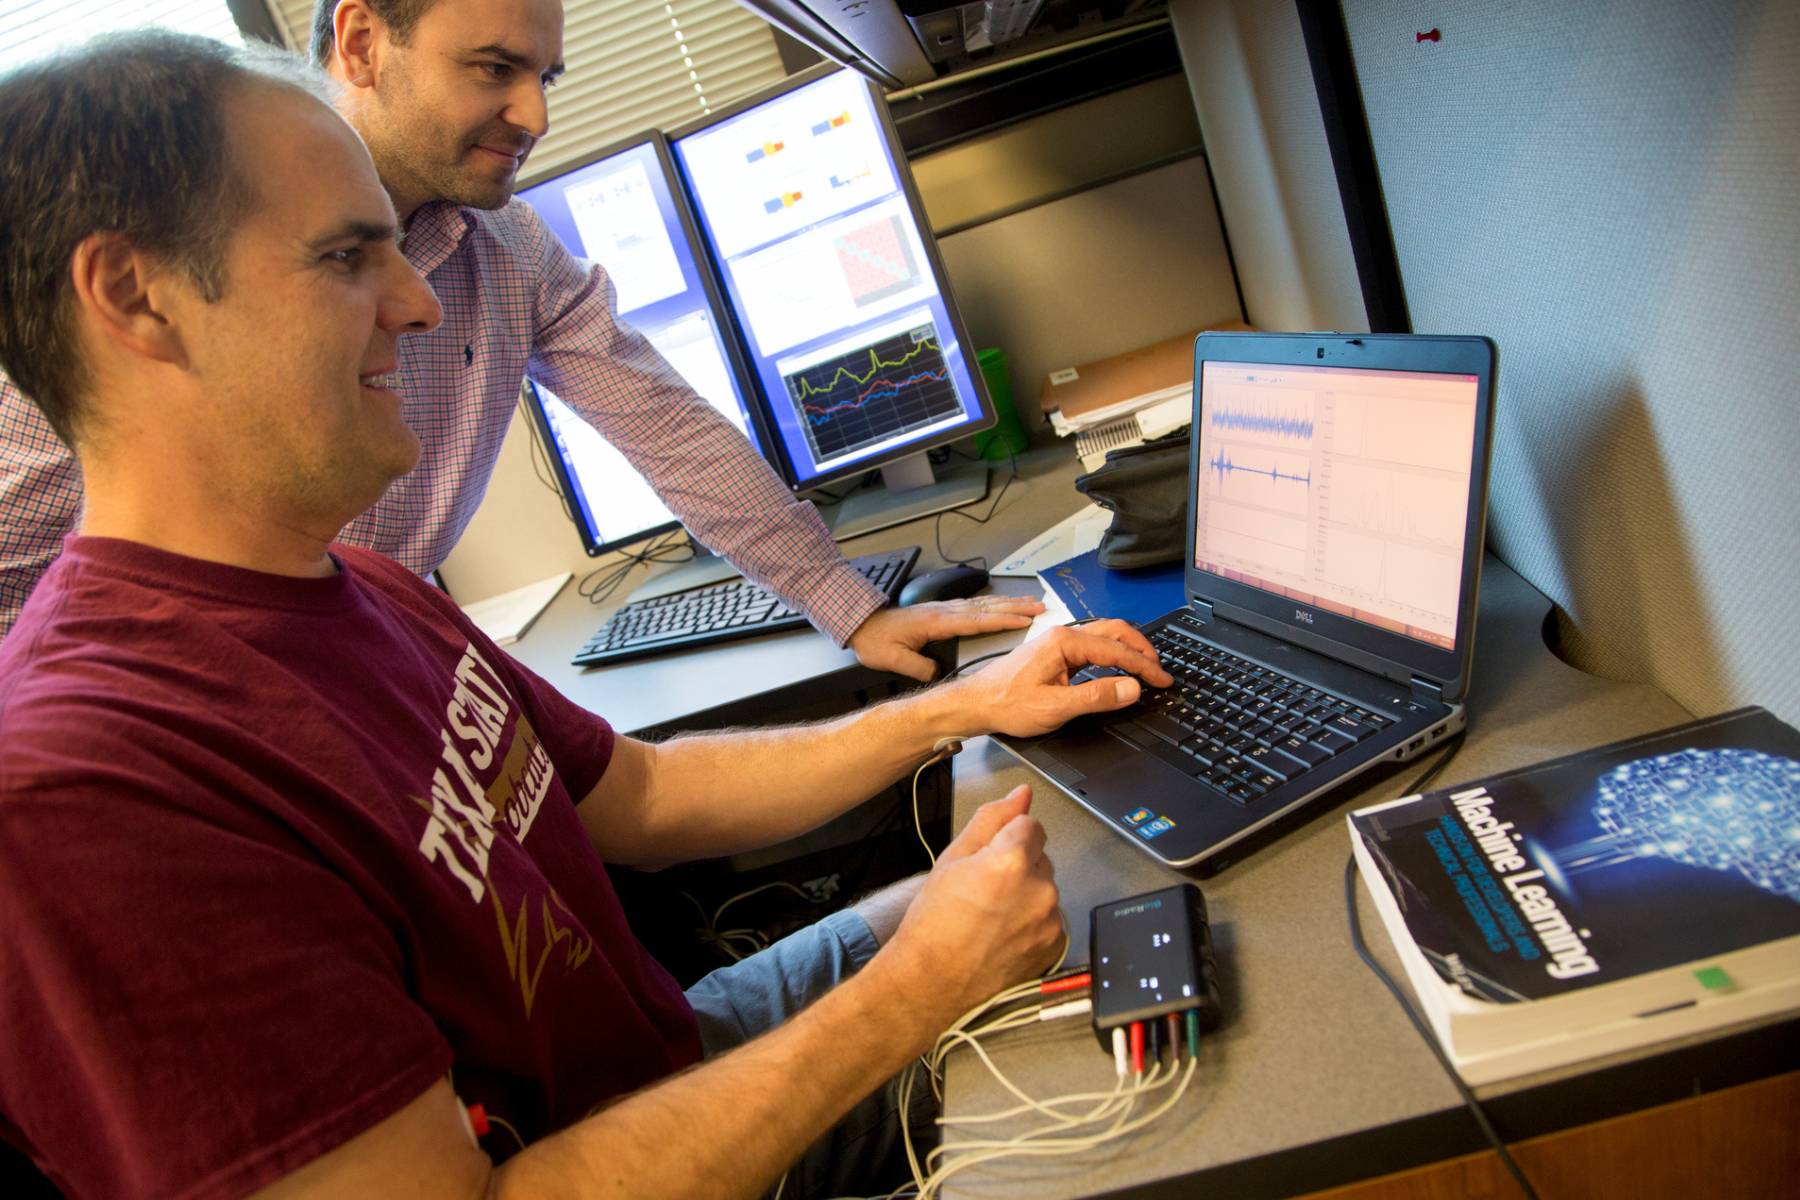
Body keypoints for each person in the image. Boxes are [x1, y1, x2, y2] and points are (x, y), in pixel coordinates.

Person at [0, 33, 1170, 1199]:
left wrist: (962, 709)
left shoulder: (373, 590)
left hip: (663, 1060)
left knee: (1091, 890)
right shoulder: (88, 795)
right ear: (134, 298)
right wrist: (917, 986)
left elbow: (644, 796)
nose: (419, 304)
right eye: (350, 257)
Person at [0, 0, 1042, 678]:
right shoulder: (174, 284)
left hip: (365, 680)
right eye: (495, 68)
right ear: (361, 45)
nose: (534, 113)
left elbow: (662, 422)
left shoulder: (505, 244)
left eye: (549, 76)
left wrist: (846, 607)